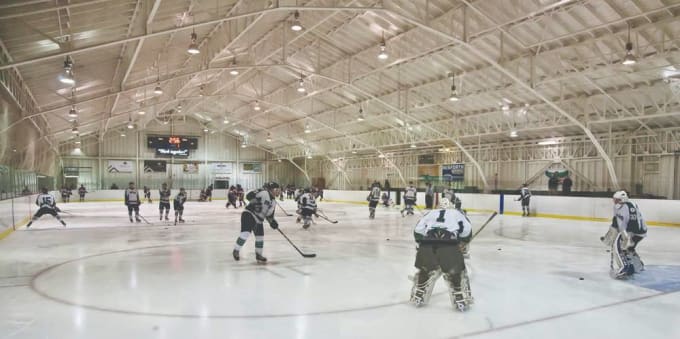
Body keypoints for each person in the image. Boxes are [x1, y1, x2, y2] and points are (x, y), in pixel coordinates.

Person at [410, 198, 472, 311]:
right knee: (455, 272)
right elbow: (467, 230)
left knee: (425, 270)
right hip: (449, 246)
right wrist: (464, 241)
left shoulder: (431, 213)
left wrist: (421, 243)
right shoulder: (457, 213)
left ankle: (419, 293)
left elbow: (418, 231)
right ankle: (459, 296)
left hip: (427, 244)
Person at [601, 191, 647, 279]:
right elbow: (616, 220)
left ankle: (625, 268)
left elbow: (635, 224)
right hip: (632, 231)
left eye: (617, 200)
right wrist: (610, 235)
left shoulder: (630, 207)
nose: (614, 202)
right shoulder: (617, 207)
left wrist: (627, 237)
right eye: (614, 200)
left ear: (622, 200)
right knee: (629, 248)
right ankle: (638, 266)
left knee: (618, 248)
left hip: (635, 232)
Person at [232, 182, 280, 263]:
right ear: (271, 189)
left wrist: (272, 222)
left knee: (260, 237)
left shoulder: (273, 203)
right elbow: (249, 195)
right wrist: (256, 203)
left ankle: (259, 255)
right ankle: (236, 250)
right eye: (276, 189)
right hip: (249, 214)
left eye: (279, 190)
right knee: (245, 233)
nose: (278, 191)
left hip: (259, 220)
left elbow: (269, 216)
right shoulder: (264, 193)